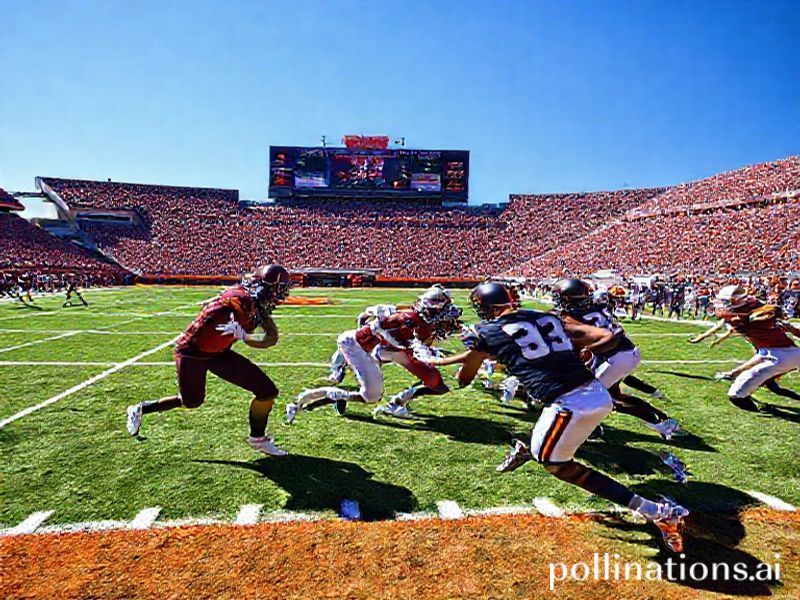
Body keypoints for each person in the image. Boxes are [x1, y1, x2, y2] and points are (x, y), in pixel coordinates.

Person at [421, 282, 689, 552]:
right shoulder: (547, 318)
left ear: (484, 308)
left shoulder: (484, 331)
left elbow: (465, 377)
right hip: (593, 392)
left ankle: (658, 512)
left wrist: (441, 365)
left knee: (557, 465)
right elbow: (596, 336)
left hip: (570, 403)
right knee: (550, 441)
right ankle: (530, 446)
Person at [125, 265, 291, 456]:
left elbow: (271, 338)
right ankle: (140, 409)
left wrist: (245, 336)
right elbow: (231, 301)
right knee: (192, 401)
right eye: (281, 288)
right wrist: (224, 310)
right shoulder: (242, 300)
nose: (283, 293)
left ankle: (258, 439)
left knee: (267, 391)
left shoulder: (255, 303)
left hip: (218, 353)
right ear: (269, 287)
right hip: (192, 352)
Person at [286, 286, 461, 422]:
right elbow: (384, 331)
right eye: (443, 313)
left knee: (433, 381)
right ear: (432, 311)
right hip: (358, 348)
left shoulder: (416, 321)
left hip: (380, 350)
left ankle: (396, 402)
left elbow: (370, 320)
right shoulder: (404, 320)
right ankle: (313, 397)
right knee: (371, 396)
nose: (446, 319)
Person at [552, 278, 681, 439]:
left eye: (559, 296)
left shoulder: (573, 316)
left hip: (614, 357)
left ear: (568, 298)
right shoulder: (597, 307)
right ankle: (663, 418)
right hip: (624, 352)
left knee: (597, 398)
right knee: (615, 394)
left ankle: (660, 424)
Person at [689, 284, 800, 411]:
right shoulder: (751, 309)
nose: (723, 304)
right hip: (786, 352)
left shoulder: (742, 316)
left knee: (737, 394)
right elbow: (760, 355)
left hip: (780, 356)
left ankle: (762, 409)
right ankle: (759, 403)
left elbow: (728, 319)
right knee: (760, 376)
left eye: (726, 301)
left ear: (736, 300)